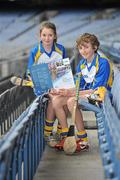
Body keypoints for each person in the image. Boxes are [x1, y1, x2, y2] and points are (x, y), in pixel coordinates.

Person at [50, 33, 113, 152]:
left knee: (72, 100)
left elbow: (97, 89)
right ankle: (66, 136)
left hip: (101, 96)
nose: (83, 51)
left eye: (86, 47)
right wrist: (61, 90)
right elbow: (78, 86)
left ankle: (83, 139)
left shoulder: (103, 63)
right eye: (80, 48)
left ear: (94, 47)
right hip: (87, 94)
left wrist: (71, 94)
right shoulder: (82, 64)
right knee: (57, 100)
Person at [27, 21, 66, 142]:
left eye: (50, 35)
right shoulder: (35, 52)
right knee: (54, 99)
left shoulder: (61, 49)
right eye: (44, 35)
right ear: (40, 36)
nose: (47, 38)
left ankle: (58, 130)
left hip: (57, 83)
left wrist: (61, 85)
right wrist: (36, 80)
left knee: (63, 96)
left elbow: (63, 71)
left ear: (54, 36)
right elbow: (30, 73)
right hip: (42, 85)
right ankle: (50, 133)